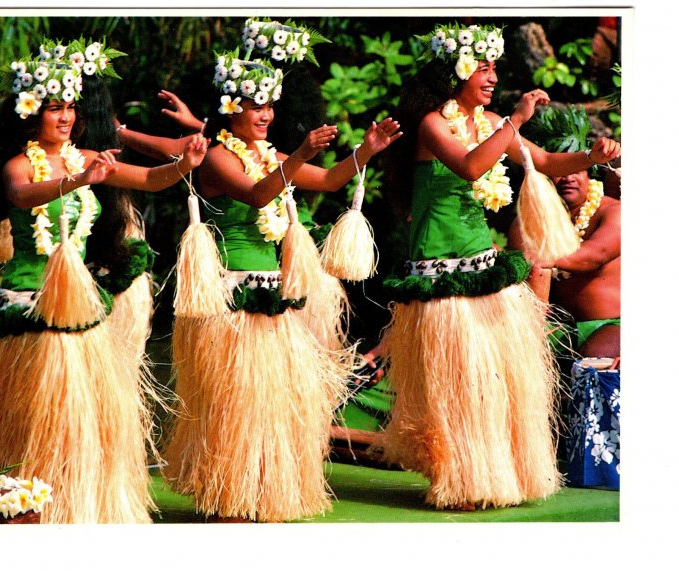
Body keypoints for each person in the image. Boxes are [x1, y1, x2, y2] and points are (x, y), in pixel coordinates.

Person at [0, 38, 208, 524]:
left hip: (79, 310)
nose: (65, 116)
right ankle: (20, 504)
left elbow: (150, 181)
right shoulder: (19, 164)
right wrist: (76, 181)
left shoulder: (87, 157)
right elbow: (22, 196)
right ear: (31, 113)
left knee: (83, 419)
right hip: (29, 309)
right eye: (54, 108)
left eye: (70, 106)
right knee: (30, 419)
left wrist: (184, 166)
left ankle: (76, 505)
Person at [162, 18, 401, 523]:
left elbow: (333, 180)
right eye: (256, 106)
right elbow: (257, 194)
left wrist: (366, 151)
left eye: (271, 105)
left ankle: (262, 490)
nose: (267, 115)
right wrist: (299, 154)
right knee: (236, 404)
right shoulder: (219, 159)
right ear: (233, 109)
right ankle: (228, 495)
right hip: (231, 305)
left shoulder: (269, 155)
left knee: (275, 403)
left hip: (275, 303)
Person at [374, 22, 620, 510]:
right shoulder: (432, 123)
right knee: (457, 384)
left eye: (494, 68)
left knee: (495, 379)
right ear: (456, 72)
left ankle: (493, 473)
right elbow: (469, 167)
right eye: (483, 68)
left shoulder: (488, 125)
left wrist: (589, 156)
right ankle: (460, 478)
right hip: (440, 275)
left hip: (483, 267)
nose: (491, 77)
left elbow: (545, 162)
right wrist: (515, 118)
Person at [510, 167, 620, 358]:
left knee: (596, 355)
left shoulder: (614, 211)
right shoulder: (529, 220)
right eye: (560, 169)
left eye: (577, 170)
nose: (568, 176)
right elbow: (521, 274)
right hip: (555, 328)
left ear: (589, 174)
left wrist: (545, 257)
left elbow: (596, 255)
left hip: (609, 324)